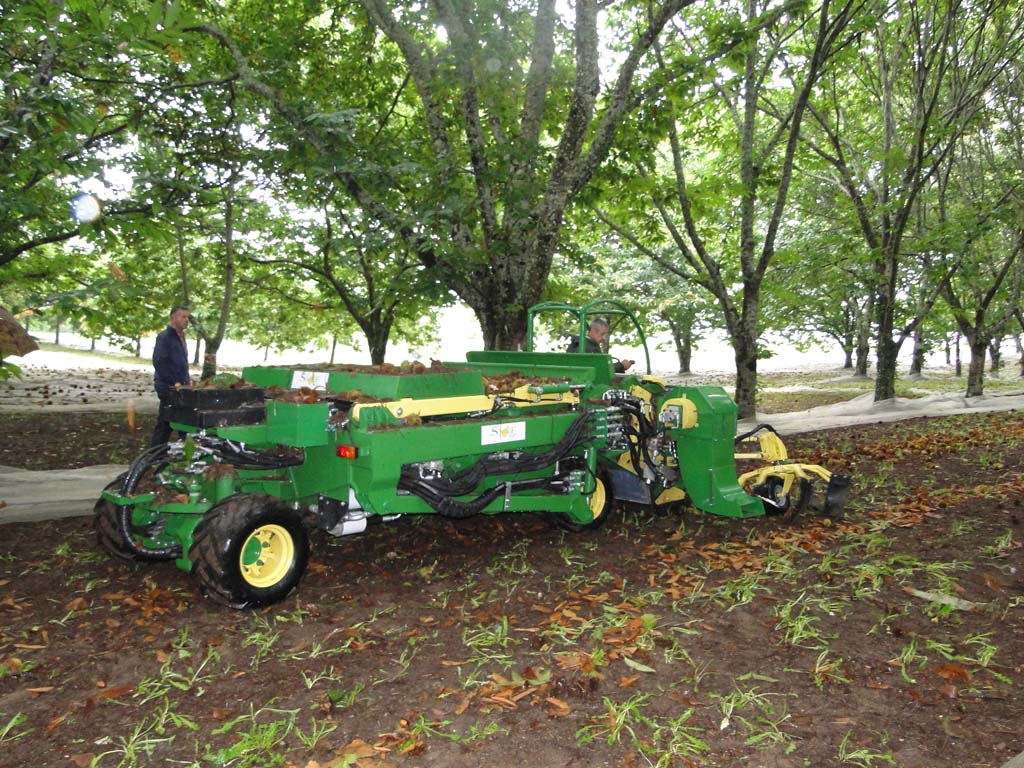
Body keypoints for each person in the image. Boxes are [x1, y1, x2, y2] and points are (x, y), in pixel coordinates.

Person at [150, 305, 191, 445]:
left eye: (188, 317)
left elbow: (180, 363)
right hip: (169, 387)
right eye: (183, 316)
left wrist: (185, 381)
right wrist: (174, 382)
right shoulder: (165, 337)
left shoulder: (180, 337)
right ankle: (155, 453)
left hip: (180, 387)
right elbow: (159, 362)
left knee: (169, 421)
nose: (187, 320)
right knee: (171, 420)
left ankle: (157, 452)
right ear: (173, 318)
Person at [567, 317, 633, 373]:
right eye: (602, 334)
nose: (604, 338)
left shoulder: (576, 344)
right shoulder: (589, 348)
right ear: (593, 331)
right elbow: (600, 370)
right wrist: (621, 366)